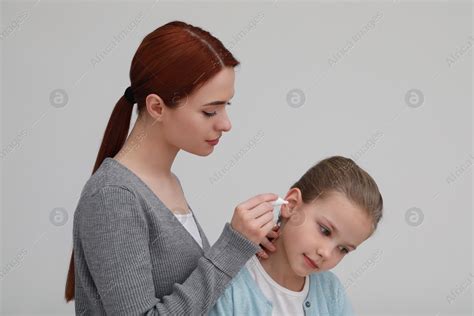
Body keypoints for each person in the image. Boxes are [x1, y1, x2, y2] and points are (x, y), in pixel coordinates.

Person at [64, 21, 280, 315]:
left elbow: (195, 297)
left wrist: (246, 248)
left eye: (226, 106)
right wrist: (231, 247)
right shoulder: (113, 196)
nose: (226, 123)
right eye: (210, 111)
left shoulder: (167, 183)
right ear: (156, 107)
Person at [208, 156, 384, 315]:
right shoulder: (230, 287)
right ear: (291, 205)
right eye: (325, 231)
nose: (327, 253)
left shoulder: (331, 293)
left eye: (343, 249)